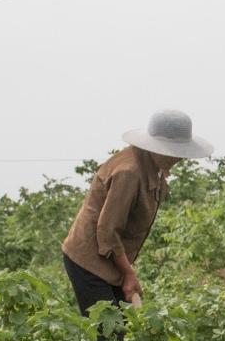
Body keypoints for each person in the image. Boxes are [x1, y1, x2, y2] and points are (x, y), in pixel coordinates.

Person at [60, 109, 213, 313]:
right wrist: (128, 273)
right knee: (110, 337)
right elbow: (107, 230)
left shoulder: (153, 168)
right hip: (88, 262)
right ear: (155, 147)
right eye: (171, 152)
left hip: (110, 262)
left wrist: (126, 272)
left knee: (124, 330)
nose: (177, 159)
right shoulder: (129, 173)